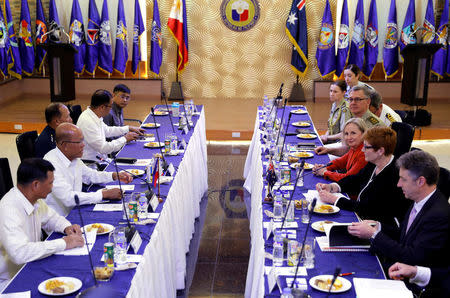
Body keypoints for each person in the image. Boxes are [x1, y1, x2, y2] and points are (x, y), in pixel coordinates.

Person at [347, 150, 450, 269]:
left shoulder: (437, 215)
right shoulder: (420, 198)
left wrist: (374, 234)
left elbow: (411, 257)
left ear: (421, 181)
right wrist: (378, 226)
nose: (398, 184)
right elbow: (404, 235)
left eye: (403, 179)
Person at [0, 158, 84, 291]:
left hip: (32, 264)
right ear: (35, 185)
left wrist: (67, 227)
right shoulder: (9, 209)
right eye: (51, 183)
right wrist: (64, 243)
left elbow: (52, 218)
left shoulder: (32, 198)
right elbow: (19, 253)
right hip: (11, 280)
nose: (52, 187)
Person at [316, 127, 410, 225]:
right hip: (361, 217)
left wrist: (334, 199)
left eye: (366, 147)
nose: (362, 149)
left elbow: (368, 209)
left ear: (380, 151)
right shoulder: (374, 162)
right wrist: (332, 187)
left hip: (376, 227)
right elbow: (356, 179)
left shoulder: (394, 176)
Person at [44, 123, 133, 216]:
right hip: (61, 219)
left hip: (77, 209)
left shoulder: (73, 157)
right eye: (79, 142)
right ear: (65, 145)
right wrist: (103, 194)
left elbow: (90, 175)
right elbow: (69, 198)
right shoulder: (51, 165)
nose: (83, 145)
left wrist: (114, 175)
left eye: (83, 140)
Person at [315, 85, 385, 157]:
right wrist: (328, 150)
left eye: (357, 99)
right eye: (350, 99)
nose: (353, 103)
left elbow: (370, 157)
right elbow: (346, 149)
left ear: (368, 101)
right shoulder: (353, 119)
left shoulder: (375, 125)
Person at [76, 89, 144, 161]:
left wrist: (128, 128)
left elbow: (107, 130)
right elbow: (103, 148)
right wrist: (125, 138)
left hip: (102, 159)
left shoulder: (93, 114)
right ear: (102, 107)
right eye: (110, 106)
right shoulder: (88, 122)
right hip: (93, 164)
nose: (111, 109)